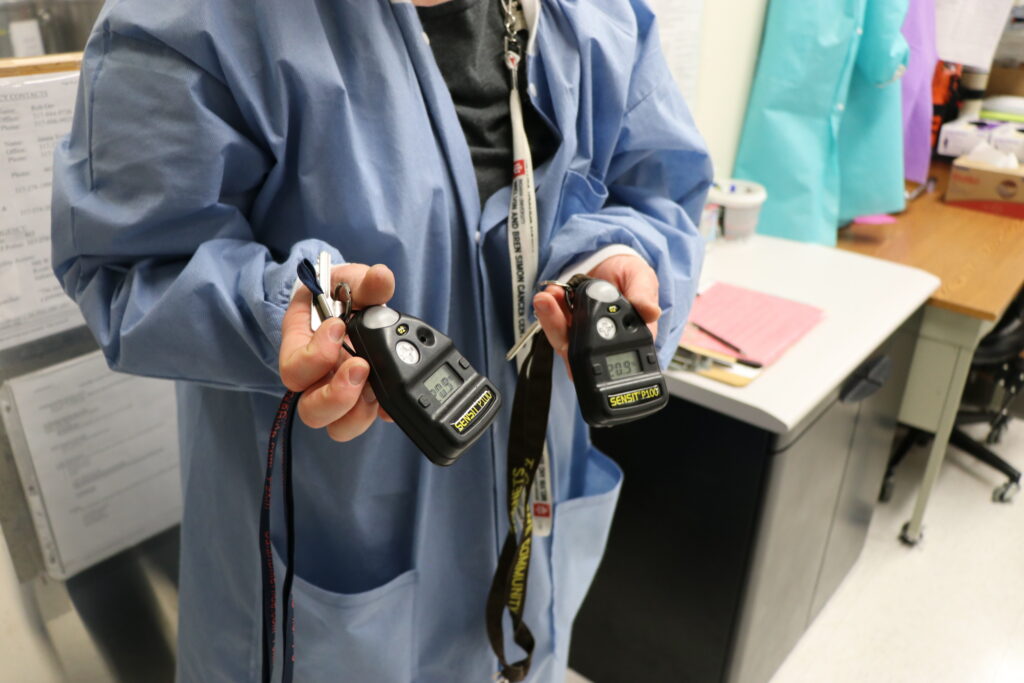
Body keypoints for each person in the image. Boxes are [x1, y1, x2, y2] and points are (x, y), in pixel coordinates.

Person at [51, 0, 710, 680]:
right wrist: (279, 308)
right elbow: (127, 262)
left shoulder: (598, 17)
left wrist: (615, 255)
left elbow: (658, 190)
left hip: (529, 542)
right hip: (325, 577)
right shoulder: (195, 20)